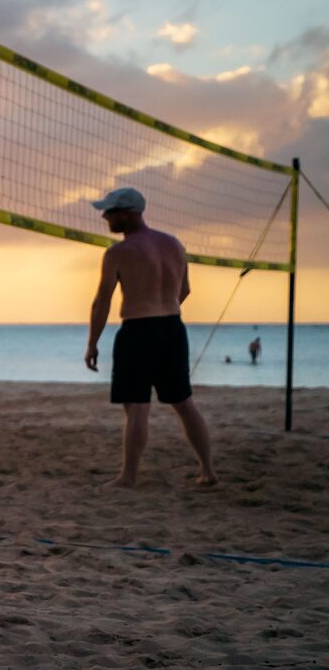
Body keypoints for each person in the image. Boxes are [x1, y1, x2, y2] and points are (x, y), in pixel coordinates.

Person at [84, 187, 218, 488]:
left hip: (138, 330)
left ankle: (128, 476)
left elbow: (101, 300)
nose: (105, 216)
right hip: (172, 328)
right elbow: (185, 291)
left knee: (137, 406)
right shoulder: (173, 244)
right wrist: (162, 311)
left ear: (130, 214)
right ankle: (208, 471)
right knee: (184, 402)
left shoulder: (118, 252)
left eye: (111, 211)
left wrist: (93, 343)